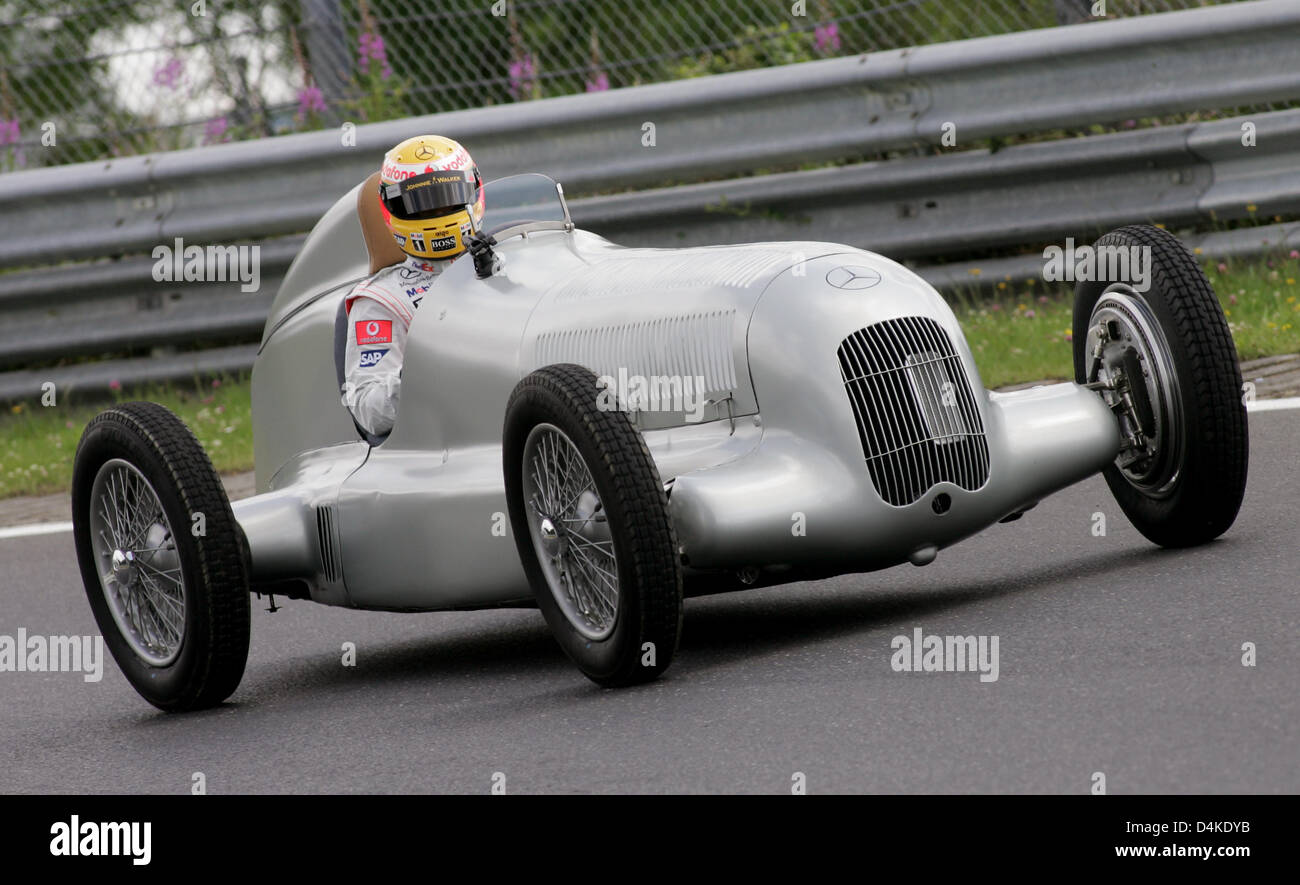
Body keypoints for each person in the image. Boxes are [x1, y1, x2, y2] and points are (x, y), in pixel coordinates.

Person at [340, 134, 485, 437]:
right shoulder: (381, 300)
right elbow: (370, 410)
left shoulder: (510, 258)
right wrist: (419, 372)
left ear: (474, 191)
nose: (437, 215)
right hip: (449, 440)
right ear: (392, 210)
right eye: (422, 206)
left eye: (450, 199)